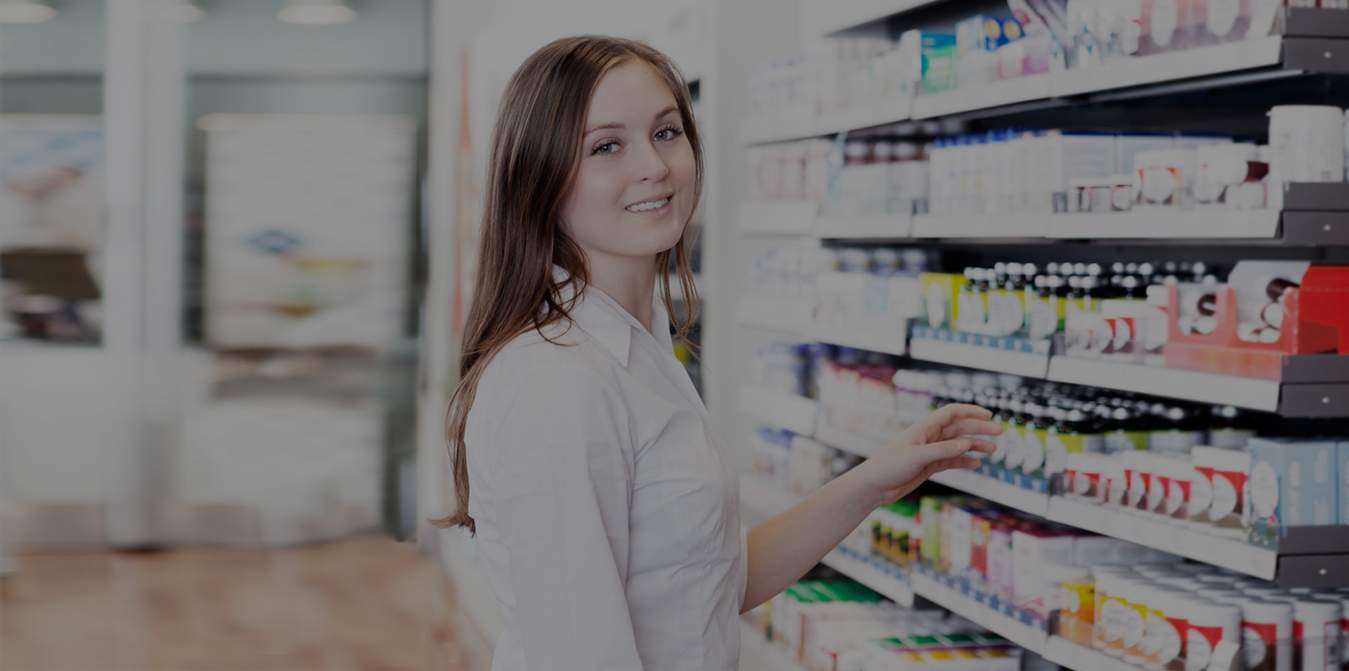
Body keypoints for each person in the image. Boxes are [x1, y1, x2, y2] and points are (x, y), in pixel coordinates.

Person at [434, 35, 1002, 671]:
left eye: (667, 132)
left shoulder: (639, 345)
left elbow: (709, 584)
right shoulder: (555, 379)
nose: (653, 165)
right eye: (606, 146)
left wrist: (874, 480)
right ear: (539, 178)